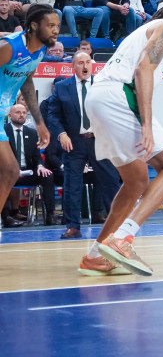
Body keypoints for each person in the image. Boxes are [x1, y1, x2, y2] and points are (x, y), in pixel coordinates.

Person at [78, 0, 163, 276]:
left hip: (99, 96)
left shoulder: (148, 29)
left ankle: (96, 255)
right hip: (118, 96)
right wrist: (146, 123)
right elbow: (143, 70)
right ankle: (123, 239)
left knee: (136, 181)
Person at [45, 52, 120, 239]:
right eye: (80, 63)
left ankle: (116, 224)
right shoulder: (62, 88)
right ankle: (73, 226)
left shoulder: (102, 85)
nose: (85, 66)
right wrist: (61, 134)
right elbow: (52, 114)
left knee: (110, 181)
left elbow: (114, 110)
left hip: (100, 140)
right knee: (72, 185)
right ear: (73, 66)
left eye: (88, 62)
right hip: (74, 142)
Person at [3, 101, 56, 227]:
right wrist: (12, 170)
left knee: (47, 175)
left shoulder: (32, 133)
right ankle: (6, 216)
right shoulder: (3, 132)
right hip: (8, 172)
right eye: (18, 112)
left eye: (24, 113)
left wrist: (40, 166)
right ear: (10, 115)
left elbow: (37, 157)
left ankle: (50, 215)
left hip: (27, 171)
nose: (22, 115)